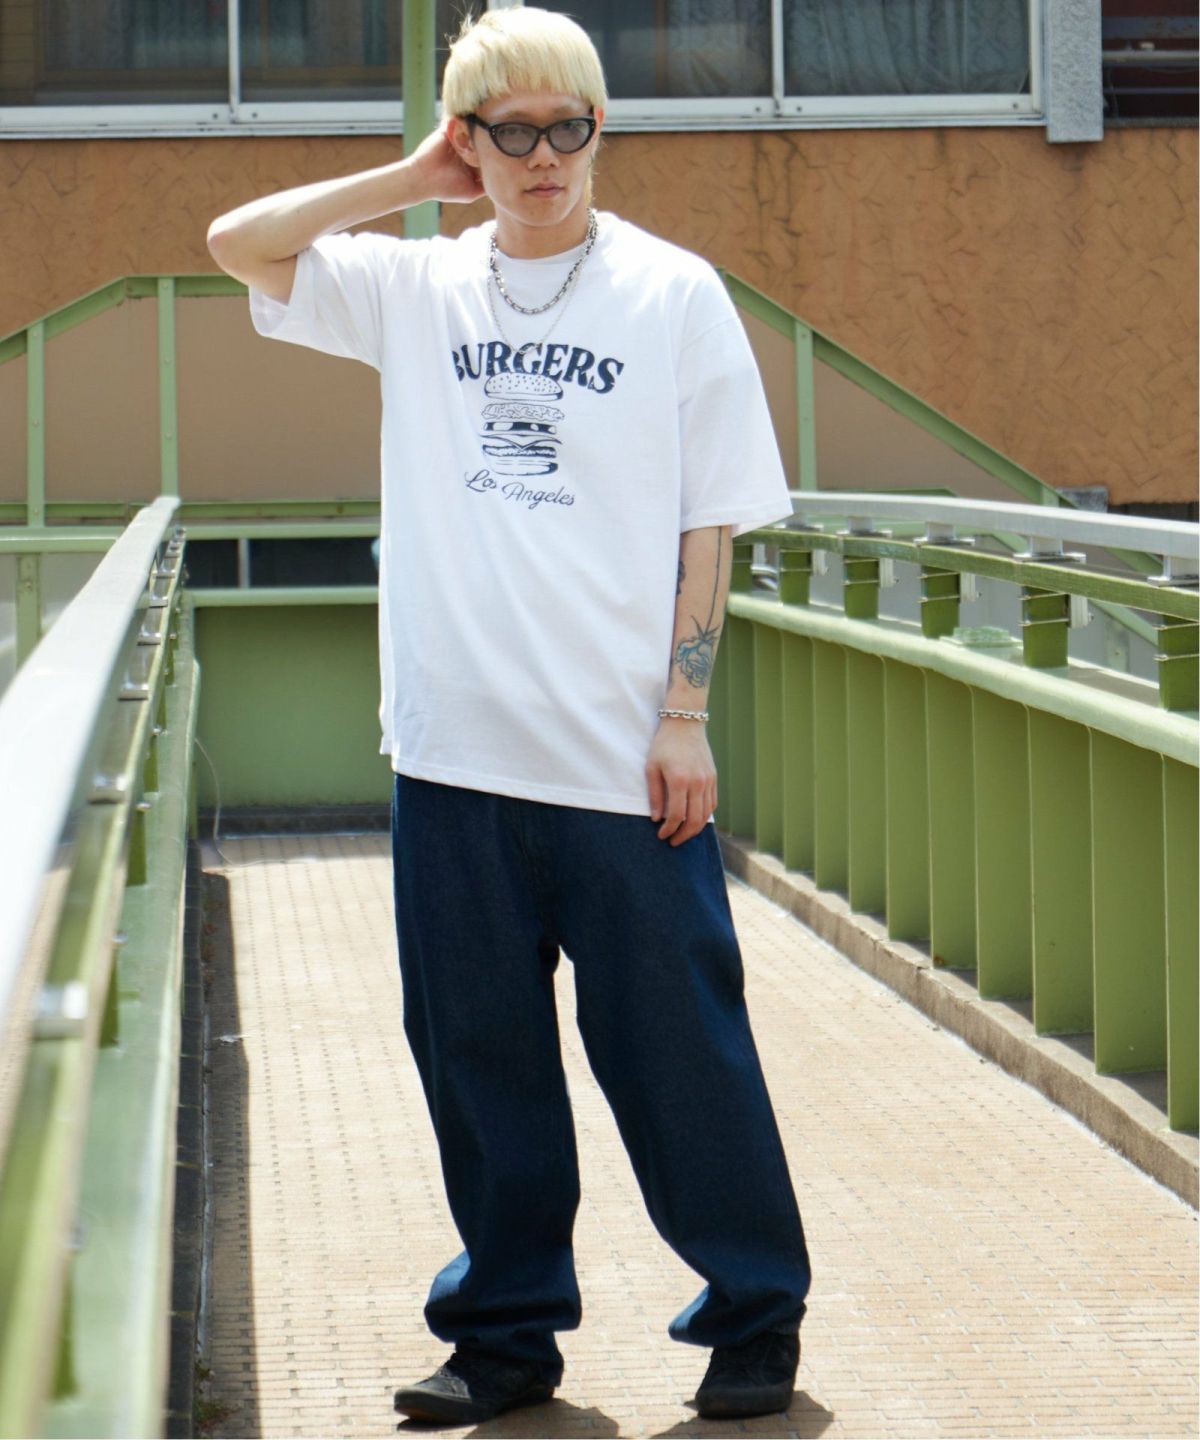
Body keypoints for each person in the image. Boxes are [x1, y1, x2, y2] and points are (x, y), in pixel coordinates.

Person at [206, 6, 811, 1425]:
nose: (544, 158)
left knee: (682, 1055)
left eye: (569, 127)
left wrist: (684, 712)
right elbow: (240, 241)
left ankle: (755, 1312)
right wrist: (411, 180)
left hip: (620, 760)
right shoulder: (417, 285)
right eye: (512, 131)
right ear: (468, 139)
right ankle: (505, 1336)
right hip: (452, 757)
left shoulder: (672, 295)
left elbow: (711, 522)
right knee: (480, 1064)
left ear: (602, 130)